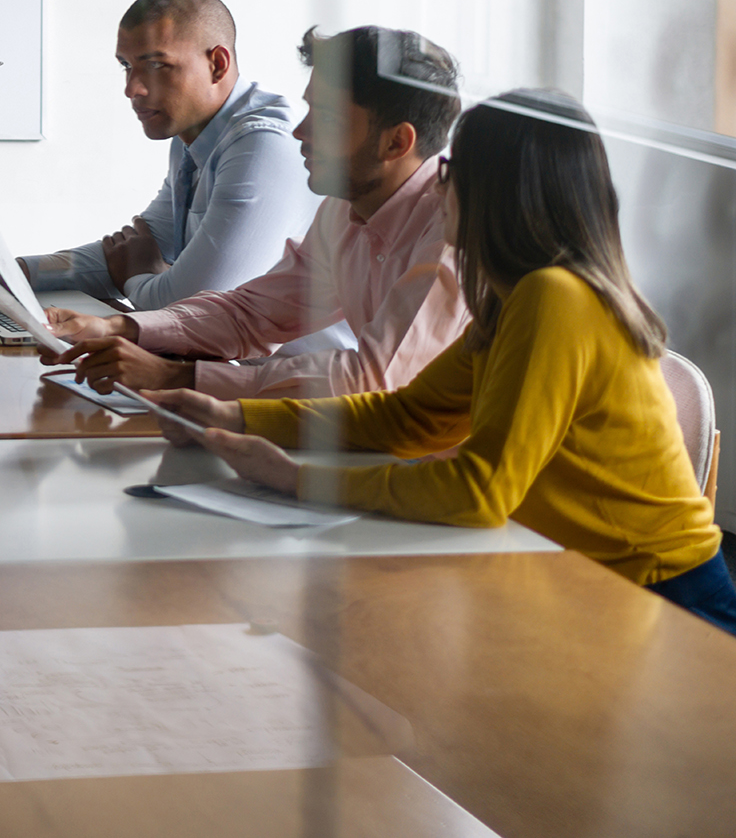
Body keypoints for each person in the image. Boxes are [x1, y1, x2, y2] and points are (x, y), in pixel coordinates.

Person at [138, 90, 736, 637]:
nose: (438, 185)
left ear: (496, 189)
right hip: (583, 580)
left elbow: (480, 491)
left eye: (451, 169)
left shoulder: (556, 298)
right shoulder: (513, 297)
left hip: (663, 601)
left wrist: (296, 479)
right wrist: (236, 417)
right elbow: (407, 417)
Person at [50, 25, 467, 400]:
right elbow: (253, 314)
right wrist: (118, 328)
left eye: (325, 118)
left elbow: (374, 380)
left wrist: (175, 377)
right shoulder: (345, 209)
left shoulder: (455, 233)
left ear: (396, 143)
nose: (301, 133)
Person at [7, 0, 320, 311]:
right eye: (126, 66)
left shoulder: (263, 145)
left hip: (298, 362)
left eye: (156, 66)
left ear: (217, 64)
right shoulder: (193, 135)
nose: (132, 89)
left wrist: (137, 276)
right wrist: (14, 272)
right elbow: (129, 251)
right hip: (231, 359)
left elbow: (193, 308)